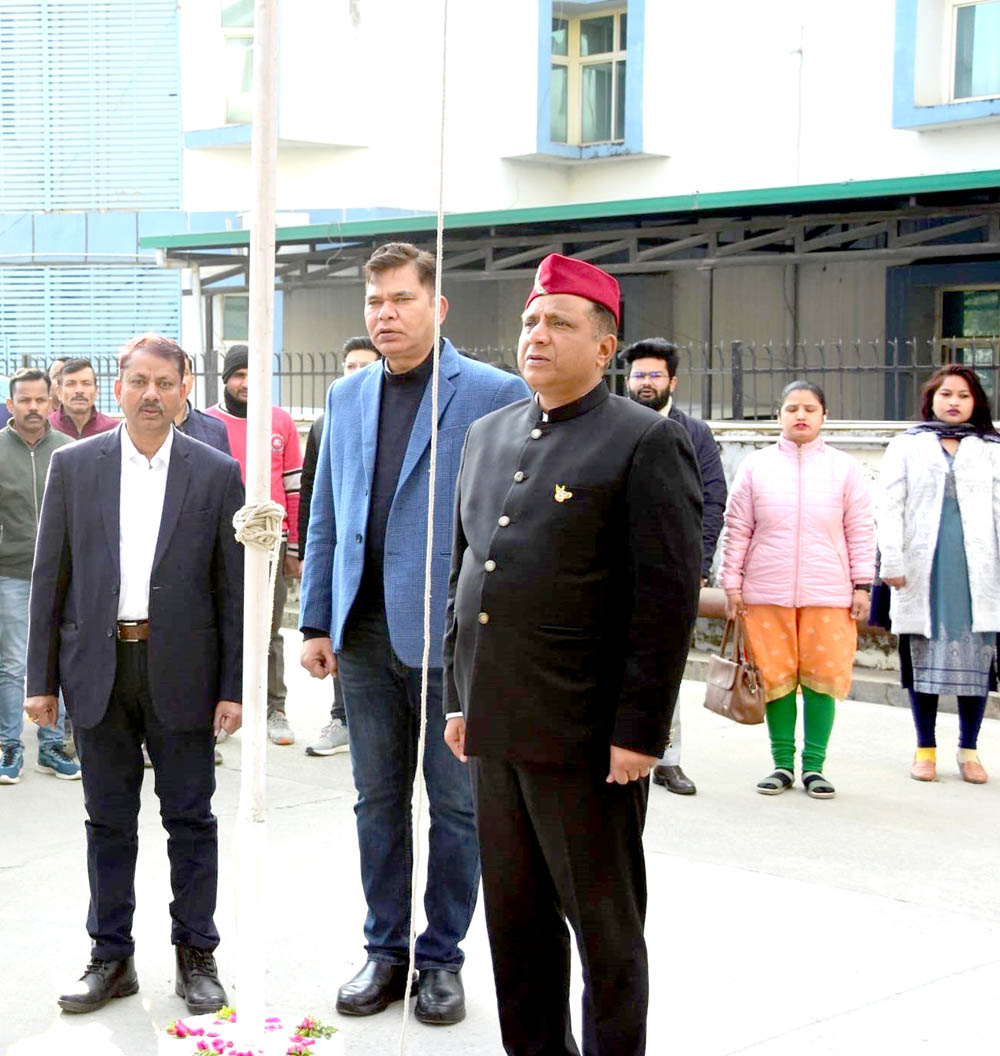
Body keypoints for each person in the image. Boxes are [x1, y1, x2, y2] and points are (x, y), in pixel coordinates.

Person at [443, 253, 703, 1056]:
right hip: (496, 728)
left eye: (560, 322)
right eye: (530, 321)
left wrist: (640, 732)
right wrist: (461, 698)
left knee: (605, 935)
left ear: (604, 346)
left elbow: (664, 603)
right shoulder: (487, 435)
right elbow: (466, 569)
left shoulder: (644, 442)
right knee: (517, 932)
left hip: (589, 741)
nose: (538, 335)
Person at [299, 242, 528, 1025]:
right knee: (375, 800)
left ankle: (442, 960)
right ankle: (385, 950)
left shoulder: (494, 394)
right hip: (361, 634)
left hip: (453, 642)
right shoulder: (347, 396)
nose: (385, 315)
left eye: (401, 299)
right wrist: (315, 618)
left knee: (457, 805)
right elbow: (324, 512)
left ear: (439, 307)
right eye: (375, 303)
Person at [24, 333, 245, 1016]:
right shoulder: (76, 466)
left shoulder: (214, 472)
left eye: (166, 383)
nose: (152, 395)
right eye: (139, 381)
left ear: (184, 391)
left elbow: (232, 588)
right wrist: (41, 679)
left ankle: (196, 954)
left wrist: (234, 686)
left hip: (183, 669)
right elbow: (49, 577)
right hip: (99, 668)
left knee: (190, 819)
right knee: (107, 821)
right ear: (116, 387)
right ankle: (110, 956)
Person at [720, 380, 875, 799]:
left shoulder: (845, 468)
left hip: (829, 594)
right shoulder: (756, 466)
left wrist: (862, 585)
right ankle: (782, 764)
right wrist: (731, 584)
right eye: (792, 408)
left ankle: (815, 768)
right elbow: (738, 529)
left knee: (823, 679)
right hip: (764, 593)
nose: (800, 415)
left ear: (824, 416)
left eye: (809, 408)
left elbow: (860, 530)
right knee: (776, 680)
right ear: (779, 416)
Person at [877, 364, 1000, 784]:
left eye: (963, 396)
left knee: (978, 659)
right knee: (923, 657)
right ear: (931, 399)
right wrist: (891, 560)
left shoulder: (991, 447)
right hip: (922, 568)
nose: (954, 402)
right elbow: (890, 505)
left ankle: (969, 749)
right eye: (946, 394)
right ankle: (924, 748)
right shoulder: (907, 446)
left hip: (977, 572)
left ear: (976, 403)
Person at [622, 336, 728, 796]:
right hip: (612, 570)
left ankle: (667, 758)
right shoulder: (611, 424)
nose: (646, 383)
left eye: (655, 375)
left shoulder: (694, 433)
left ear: (672, 382)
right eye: (639, 375)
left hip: (670, 572)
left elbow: (712, 501)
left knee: (663, 663)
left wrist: (697, 565)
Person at [207, 345, 302, 746]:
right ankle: (219, 708)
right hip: (218, 543)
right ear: (226, 379)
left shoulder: (280, 422)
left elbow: (295, 489)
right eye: (238, 374)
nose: (246, 383)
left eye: (254, 373)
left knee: (268, 628)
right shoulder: (206, 423)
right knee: (216, 625)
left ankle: (273, 708)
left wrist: (294, 547)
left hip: (271, 542)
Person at [300, 337, 380, 758]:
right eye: (349, 366)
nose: (355, 374)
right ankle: (341, 716)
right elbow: (316, 496)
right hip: (342, 559)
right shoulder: (326, 419)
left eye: (364, 365)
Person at [0, 368, 79, 784]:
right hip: (11, 573)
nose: (33, 407)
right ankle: (10, 745)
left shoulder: (69, 451)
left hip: (62, 577)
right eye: (24, 400)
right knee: (13, 663)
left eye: (39, 399)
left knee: (57, 661)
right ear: (10, 405)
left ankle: (51, 745)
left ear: (53, 403)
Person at [174, 353, 231, 454]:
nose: (179, 380)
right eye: (172, 373)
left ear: (192, 380)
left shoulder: (215, 430)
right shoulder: (143, 428)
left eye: (184, 373)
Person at [49, 358, 117, 439]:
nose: (79, 391)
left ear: (96, 391)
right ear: (59, 392)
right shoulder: (47, 428)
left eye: (86, 383)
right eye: (71, 384)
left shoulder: (113, 430)